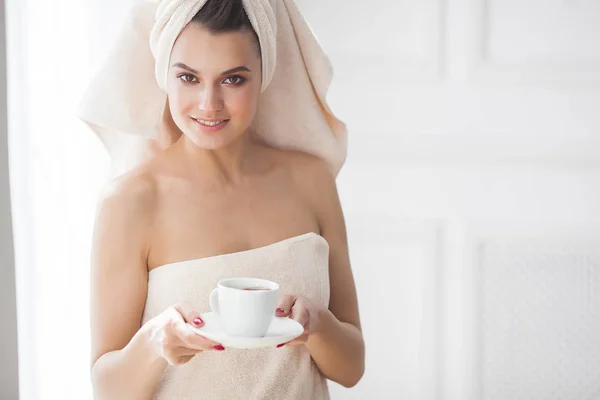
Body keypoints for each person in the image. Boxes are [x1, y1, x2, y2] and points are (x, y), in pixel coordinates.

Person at [81, 0, 364, 398]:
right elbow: (107, 389)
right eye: (189, 78)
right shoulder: (131, 202)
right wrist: (155, 343)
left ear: (263, 76)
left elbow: (351, 366)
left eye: (233, 80)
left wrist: (316, 325)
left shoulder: (311, 180)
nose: (209, 104)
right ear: (164, 75)